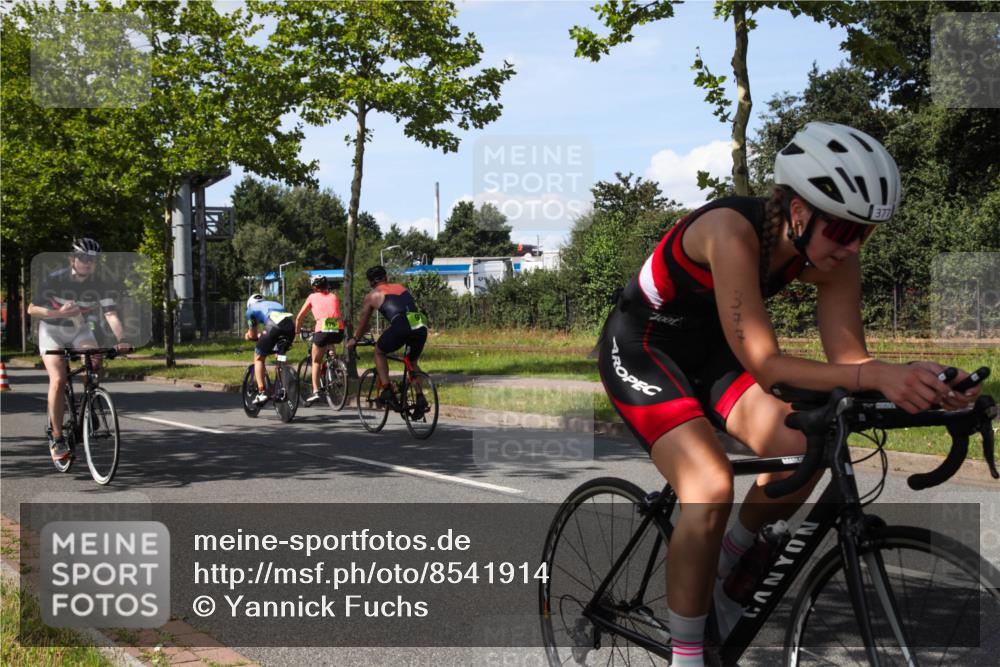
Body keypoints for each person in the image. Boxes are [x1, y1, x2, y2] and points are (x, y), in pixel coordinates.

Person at [596, 121, 982, 666]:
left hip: (715, 356)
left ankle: (730, 570)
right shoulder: (731, 231)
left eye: (865, 235)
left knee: (805, 444)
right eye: (844, 232)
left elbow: (853, 364)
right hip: (644, 347)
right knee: (707, 485)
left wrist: (924, 385)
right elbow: (770, 366)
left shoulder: (832, 258)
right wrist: (876, 376)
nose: (853, 248)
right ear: (798, 209)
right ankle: (686, 657)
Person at [28, 238, 130, 462]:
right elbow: (32, 309)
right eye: (83, 258)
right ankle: (57, 437)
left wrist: (122, 339)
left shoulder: (100, 284)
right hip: (52, 331)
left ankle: (89, 403)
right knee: (59, 380)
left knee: (94, 361)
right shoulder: (55, 280)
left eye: (93, 259)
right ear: (72, 259)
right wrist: (59, 313)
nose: (88, 263)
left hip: (78, 329)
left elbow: (110, 314)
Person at [345, 265, 429, 416]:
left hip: (402, 323)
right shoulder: (400, 287)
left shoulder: (373, 295)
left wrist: (355, 339)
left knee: (379, 351)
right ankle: (420, 398)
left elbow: (364, 323)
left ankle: (387, 390)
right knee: (412, 362)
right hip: (419, 322)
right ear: (386, 277)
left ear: (371, 282)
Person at [294, 275, 344, 405]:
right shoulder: (334, 296)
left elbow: (299, 317)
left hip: (322, 330)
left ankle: (315, 391)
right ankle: (334, 363)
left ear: (314, 287)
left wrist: (297, 331)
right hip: (338, 330)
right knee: (330, 340)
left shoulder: (312, 297)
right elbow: (331, 313)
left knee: (316, 361)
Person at [244, 293, 295, 406]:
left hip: (273, 327)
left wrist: (248, 336)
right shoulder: (275, 304)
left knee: (259, 358)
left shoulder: (250, 310)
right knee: (280, 355)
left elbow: (252, 334)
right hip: (290, 328)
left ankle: (262, 392)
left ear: (250, 304)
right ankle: (284, 384)